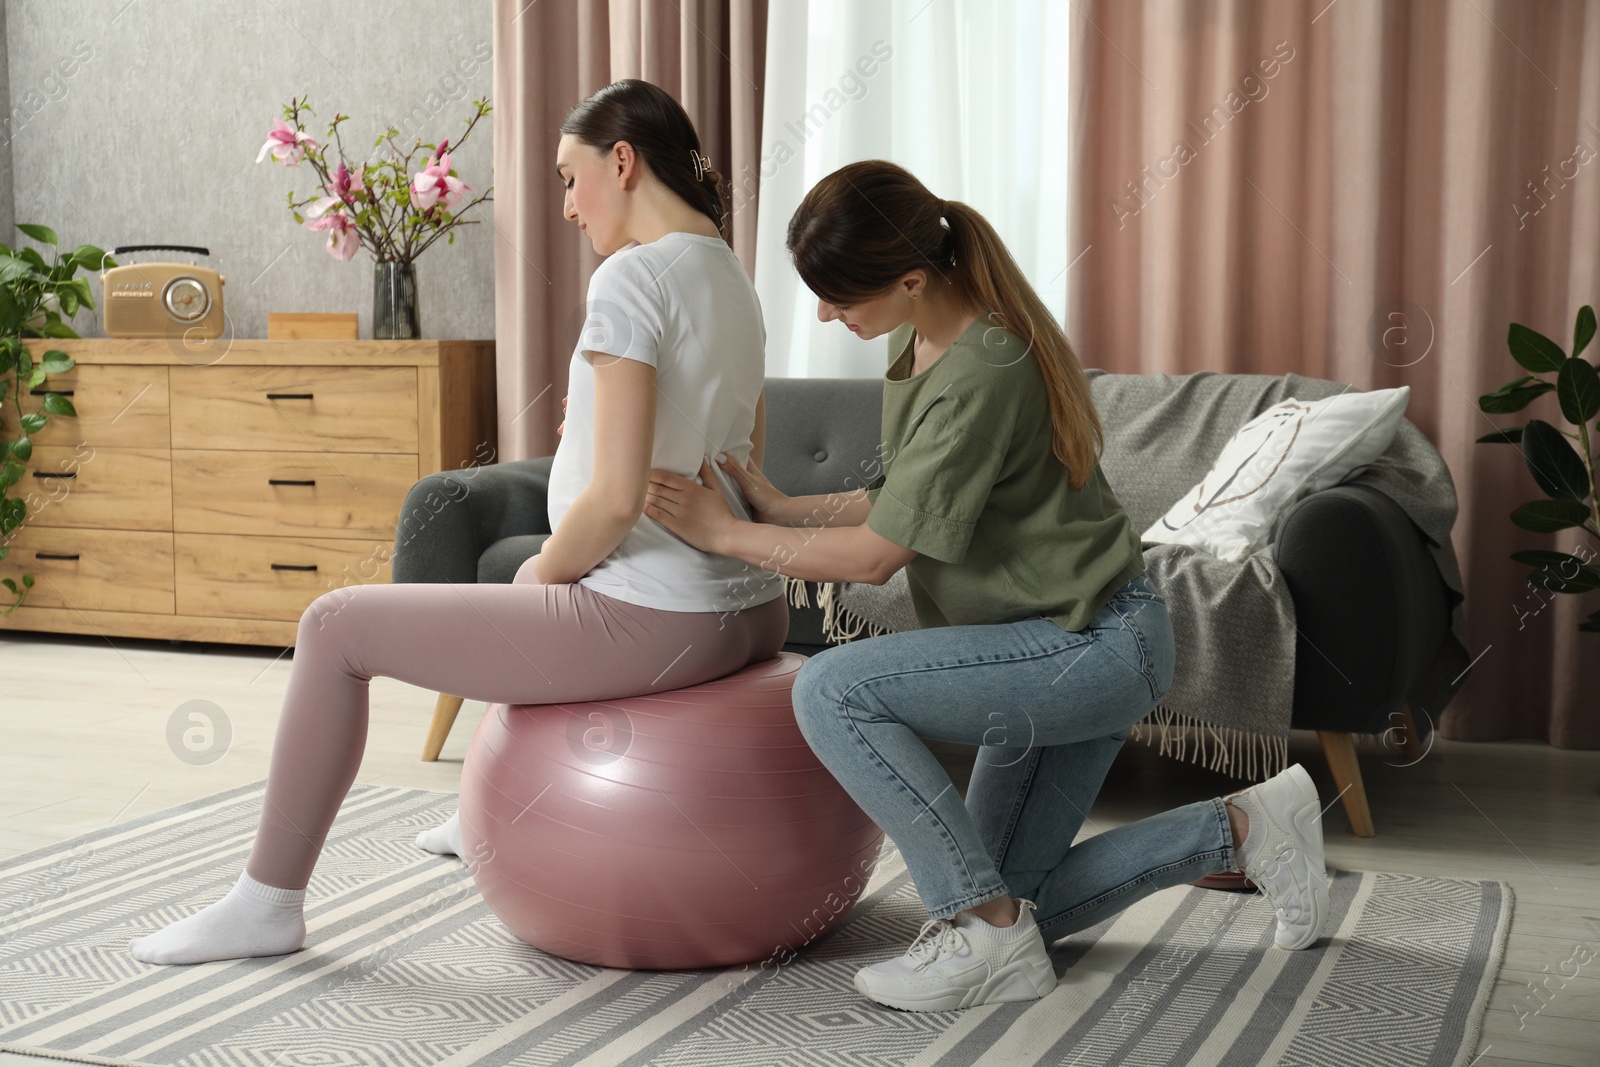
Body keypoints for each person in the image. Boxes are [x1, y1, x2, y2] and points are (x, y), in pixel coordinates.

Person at [644, 159, 1331, 1012]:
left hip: (1090, 645)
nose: (825, 313)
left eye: (839, 296)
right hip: (1046, 639)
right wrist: (787, 506)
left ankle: (981, 931)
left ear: (907, 277)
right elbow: (917, 492)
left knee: (831, 689)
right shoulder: (925, 336)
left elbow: (877, 557)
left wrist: (726, 534)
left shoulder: (984, 368)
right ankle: (1244, 827)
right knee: (1019, 906)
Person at [129, 79, 788, 965]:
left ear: (622, 161)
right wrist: (591, 436)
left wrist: (544, 570)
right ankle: (486, 805)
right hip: (746, 610)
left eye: (568, 176)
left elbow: (617, 499)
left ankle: (266, 902)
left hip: (657, 609)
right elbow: (732, 450)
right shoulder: (730, 275)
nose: (563, 205)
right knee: (531, 589)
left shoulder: (631, 275)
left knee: (334, 627)